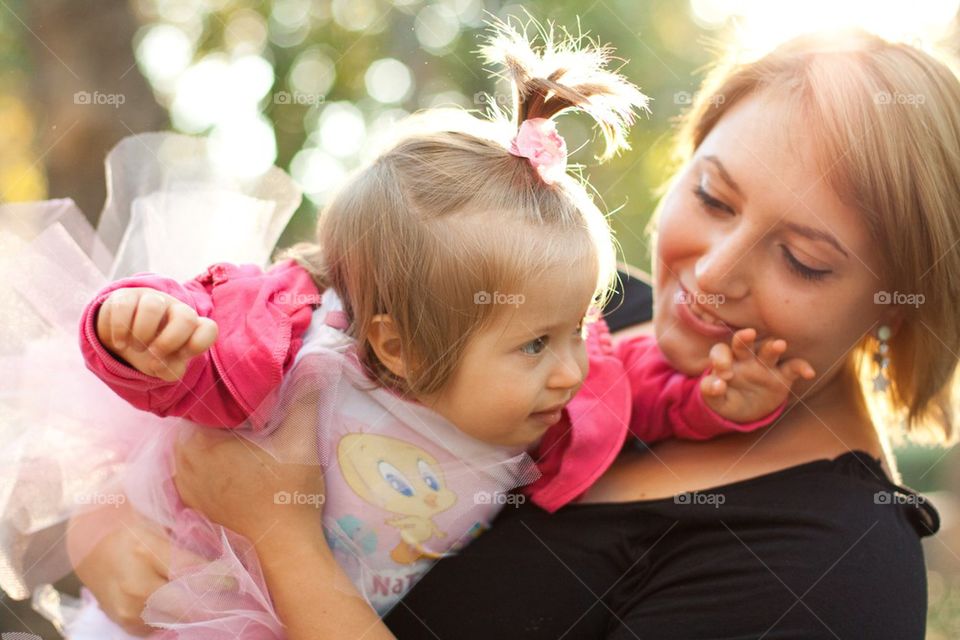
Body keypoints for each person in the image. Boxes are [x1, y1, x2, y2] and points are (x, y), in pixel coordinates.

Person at [3, 20, 808, 640]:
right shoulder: (301, 351)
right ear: (395, 346)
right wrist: (131, 325)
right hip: (187, 599)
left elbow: (638, 394)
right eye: (536, 344)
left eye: (579, 326)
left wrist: (714, 404)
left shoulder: (558, 385)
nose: (571, 369)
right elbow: (188, 360)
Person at [158, 29, 960, 638]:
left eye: (801, 259)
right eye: (714, 197)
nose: (713, 274)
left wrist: (277, 536)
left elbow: (269, 504)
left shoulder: (834, 571)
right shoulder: (578, 313)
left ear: (900, 301)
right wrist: (113, 537)